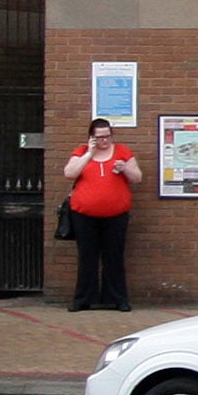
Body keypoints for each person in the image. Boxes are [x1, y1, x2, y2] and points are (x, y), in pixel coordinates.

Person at [61, 118, 140, 312]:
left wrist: (125, 168)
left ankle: (117, 298)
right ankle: (83, 299)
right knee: (87, 256)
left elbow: (137, 178)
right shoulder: (81, 152)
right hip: (84, 215)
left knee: (114, 256)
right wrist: (89, 153)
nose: (104, 141)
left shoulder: (122, 152)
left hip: (116, 215)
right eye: (100, 137)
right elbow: (70, 173)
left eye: (107, 136)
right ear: (91, 137)